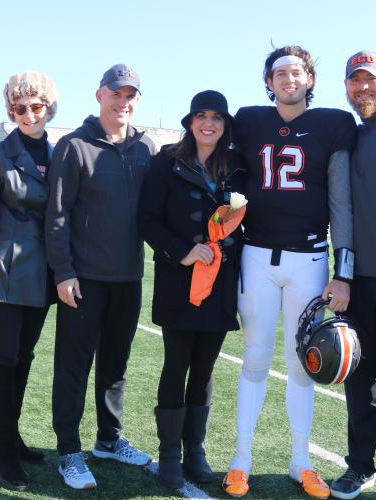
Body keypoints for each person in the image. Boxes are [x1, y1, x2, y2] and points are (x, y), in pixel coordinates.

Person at [222, 45, 357, 499]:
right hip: (257, 255)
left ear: (310, 79)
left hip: (310, 258)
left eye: (296, 71)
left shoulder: (333, 124)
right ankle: (241, 459)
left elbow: (339, 200)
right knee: (255, 357)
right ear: (269, 81)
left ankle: (301, 460)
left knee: (303, 365)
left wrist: (345, 266)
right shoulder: (249, 118)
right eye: (279, 72)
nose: (288, 79)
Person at [45, 63, 156, 490]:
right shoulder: (74, 146)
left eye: (130, 94)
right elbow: (56, 215)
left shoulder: (145, 148)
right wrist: (64, 272)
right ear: (99, 95)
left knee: (116, 365)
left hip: (128, 278)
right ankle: (68, 452)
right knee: (73, 367)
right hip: (83, 279)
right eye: (116, 93)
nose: (123, 101)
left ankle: (108, 439)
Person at [138, 90, 245, 489]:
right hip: (179, 281)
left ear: (225, 124)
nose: (208, 123)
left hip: (219, 283)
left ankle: (195, 450)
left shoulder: (236, 166)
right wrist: (182, 251)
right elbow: (147, 219)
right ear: (189, 121)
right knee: (176, 363)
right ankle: (169, 455)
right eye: (201, 115)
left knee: (204, 368)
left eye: (216, 117)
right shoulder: (165, 162)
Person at [0, 71, 59, 491]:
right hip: (5, 273)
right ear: (10, 111)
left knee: (23, 358)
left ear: (48, 108)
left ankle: (10, 435)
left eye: (35, 107)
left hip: (42, 278)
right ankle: (2, 448)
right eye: (19, 108)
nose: (27, 114)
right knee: (3, 360)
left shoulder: (59, 155)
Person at [330, 52, 376, 500]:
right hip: (359, 284)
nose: (362, 88)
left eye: (370, 80)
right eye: (354, 81)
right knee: (362, 387)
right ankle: (359, 466)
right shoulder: (352, 136)